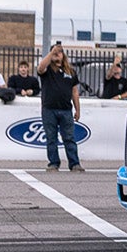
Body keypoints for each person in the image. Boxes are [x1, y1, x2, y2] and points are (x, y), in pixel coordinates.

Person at [36, 42, 84, 172]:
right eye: (55, 53)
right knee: (51, 138)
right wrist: (51, 53)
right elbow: (40, 68)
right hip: (49, 109)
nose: (57, 55)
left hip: (66, 109)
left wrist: (77, 109)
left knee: (69, 138)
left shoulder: (71, 71)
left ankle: (74, 163)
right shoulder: (48, 70)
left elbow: (75, 92)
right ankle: (53, 163)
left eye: (60, 52)